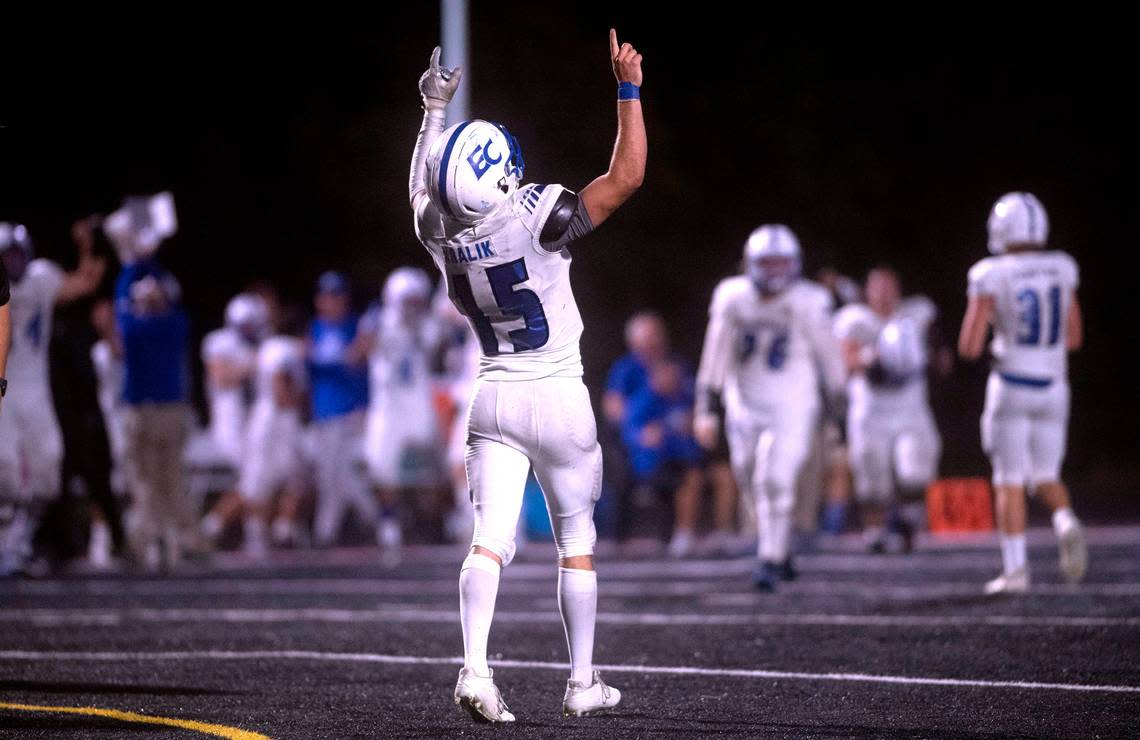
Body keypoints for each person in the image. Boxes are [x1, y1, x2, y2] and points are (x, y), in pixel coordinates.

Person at [408, 30, 644, 721]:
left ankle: (476, 669)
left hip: (494, 395)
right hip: (559, 393)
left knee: (489, 541)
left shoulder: (439, 233)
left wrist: (432, 115)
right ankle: (580, 683)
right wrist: (628, 89)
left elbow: (423, 186)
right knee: (577, 542)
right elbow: (626, 178)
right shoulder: (535, 213)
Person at [694, 225, 845, 591]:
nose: (775, 271)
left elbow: (831, 360)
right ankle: (779, 547)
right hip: (743, 403)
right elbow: (715, 352)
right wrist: (705, 406)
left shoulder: (809, 300)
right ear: (750, 263)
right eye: (768, 263)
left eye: (782, 263)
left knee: (773, 479)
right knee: (750, 478)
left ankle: (771, 557)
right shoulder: (732, 296)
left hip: (793, 404)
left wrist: (838, 407)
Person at [958, 192, 1086, 594]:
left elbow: (970, 346)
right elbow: (1074, 337)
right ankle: (1064, 518)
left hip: (1011, 384)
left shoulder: (990, 272)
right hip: (1054, 385)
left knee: (1009, 479)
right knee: (1046, 474)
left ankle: (1016, 570)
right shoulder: (1062, 267)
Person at [0, 220, 105, 576]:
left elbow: (86, 282)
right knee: (6, 473)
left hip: (35, 390)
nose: (12, 264)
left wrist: (86, 245)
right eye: (5, 256)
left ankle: (20, 542)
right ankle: (6, 543)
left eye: (16, 255)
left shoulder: (41, 279)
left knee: (47, 471)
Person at [833, 267, 945, 553]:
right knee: (872, 480)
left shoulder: (916, 315)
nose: (883, 294)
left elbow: (942, 358)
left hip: (910, 407)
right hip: (871, 410)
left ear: (898, 290)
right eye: (877, 288)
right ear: (867, 291)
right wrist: (872, 360)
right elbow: (844, 362)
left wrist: (923, 358)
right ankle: (876, 530)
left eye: (888, 287)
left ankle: (908, 520)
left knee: (915, 471)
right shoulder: (855, 320)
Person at [360, 267, 444, 561]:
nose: (412, 307)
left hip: (418, 406)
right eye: (406, 300)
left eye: (415, 301)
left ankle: (429, 524)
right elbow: (360, 350)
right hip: (388, 407)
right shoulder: (379, 322)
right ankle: (389, 524)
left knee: (429, 474)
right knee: (383, 471)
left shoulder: (428, 326)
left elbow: (438, 345)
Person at [307, 271, 375, 547]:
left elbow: (357, 358)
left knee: (337, 474)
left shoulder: (355, 326)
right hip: (324, 410)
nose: (331, 301)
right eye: (326, 295)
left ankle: (325, 533)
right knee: (334, 475)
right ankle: (372, 518)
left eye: (336, 295)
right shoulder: (315, 328)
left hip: (350, 410)